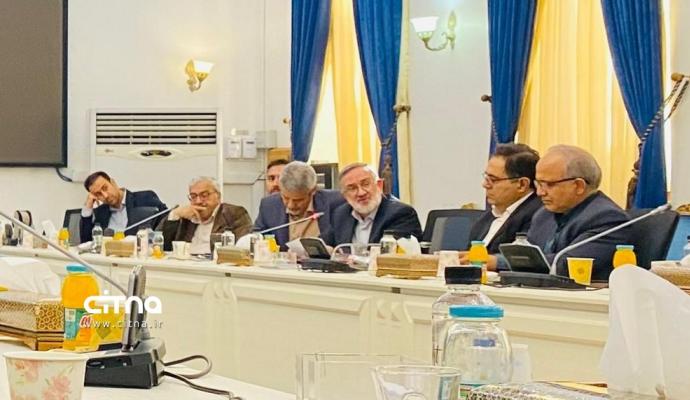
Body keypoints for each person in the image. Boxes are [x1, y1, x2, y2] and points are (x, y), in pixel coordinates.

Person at [524, 145, 629, 280]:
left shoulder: (608, 218)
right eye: (538, 184)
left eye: (549, 184)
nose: (540, 192)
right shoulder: (543, 215)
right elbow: (525, 257)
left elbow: (567, 265)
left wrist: (505, 262)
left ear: (579, 186)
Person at [465, 143, 542, 253]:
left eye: (493, 180)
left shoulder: (538, 218)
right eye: (486, 178)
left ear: (522, 184)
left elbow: (518, 258)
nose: (485, 185)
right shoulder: (485, 219)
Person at [253, 161, 345, 248]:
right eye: (286, 198)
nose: (291, 205)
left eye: (298, 200)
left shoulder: (338, 202)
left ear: (313, 191)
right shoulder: (269, 205)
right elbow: (257, 235)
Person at [328, 163, 422, 246]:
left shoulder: (401, 214)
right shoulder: (340, 215)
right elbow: (330, 246)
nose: (361, 193)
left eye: (365, 184)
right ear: (344, 195)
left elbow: (391, 254)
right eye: (352, 188)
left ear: (379, 185)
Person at [157, 177, 252, 254]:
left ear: (218, 196)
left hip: (213, 266)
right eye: (193, 196)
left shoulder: (234, 213)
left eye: (204, 195)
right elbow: (160, 245)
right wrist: (174, 215)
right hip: (184, 264)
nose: (198, 201)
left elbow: (243, 249)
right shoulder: (185, 216)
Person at [79, 171, 167, 243]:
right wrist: (87, 208)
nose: (105, 195)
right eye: (98, 194)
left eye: (105, 188)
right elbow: (87, 243)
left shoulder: (145, 198)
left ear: (113, 182)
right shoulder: (100, 213)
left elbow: (168, 222)